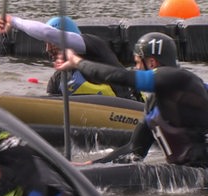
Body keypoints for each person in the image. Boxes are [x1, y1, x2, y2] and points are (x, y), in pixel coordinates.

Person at [56, 32, 208, 167]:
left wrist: (77, 62)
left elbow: (119, 76)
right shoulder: (153, 106)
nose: (135, 68)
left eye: (137, 62)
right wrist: (89, 165)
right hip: (189, 172)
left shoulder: (178, 79)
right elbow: (134, 151)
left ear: (152, 62)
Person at [0, 15, 140, 101]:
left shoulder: (95, 47)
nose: (47, 50)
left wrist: (12, 21)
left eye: (52, 44)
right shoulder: (57, 80)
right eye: (46, 44)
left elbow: (47, 32)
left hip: (129, 111)